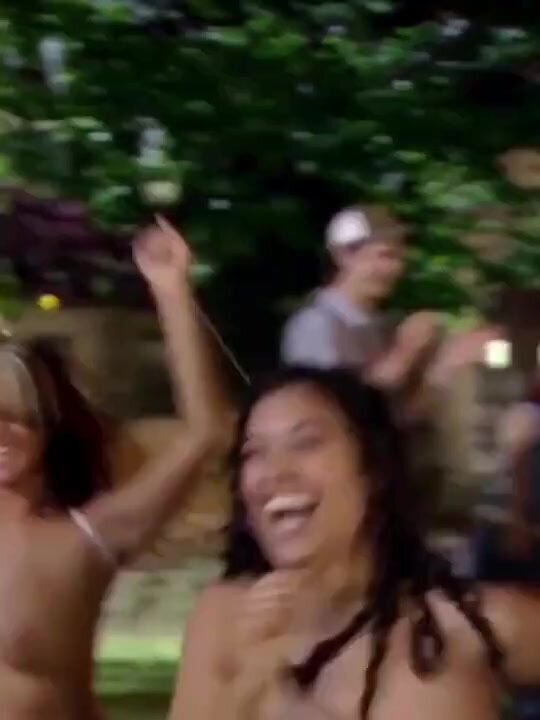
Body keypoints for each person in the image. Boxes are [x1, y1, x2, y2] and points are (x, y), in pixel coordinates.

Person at [170, 365, 540, 720]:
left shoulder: (473, 626)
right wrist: (245, 682)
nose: (275, 472)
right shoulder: (225, 616)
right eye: (254, 452)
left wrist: (273, 693)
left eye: (306, 442)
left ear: (372, 470)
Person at [0, 217, 229, 720]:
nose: (4, 434)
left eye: (21, 417)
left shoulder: (86, 537)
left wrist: (170, 290)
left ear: (48, 431)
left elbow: (206, 434)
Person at [281, 206, 497, 417]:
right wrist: (405, 351)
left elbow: (398, 419)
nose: (394, 268)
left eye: (399, 257)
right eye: (384, 255)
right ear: (343, 255)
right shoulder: (314, 325)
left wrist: (447, 365)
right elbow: (341, 412)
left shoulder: (385, 326)